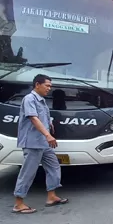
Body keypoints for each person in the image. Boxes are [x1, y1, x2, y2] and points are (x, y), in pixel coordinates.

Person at [12, 74, 68, 214]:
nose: (49, 88)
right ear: (37, 84)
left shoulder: (41, 100)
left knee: (54, 166)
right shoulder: (29, 99)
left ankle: (51, 196)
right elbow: (33, 118)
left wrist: (49, 125)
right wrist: (48, 135)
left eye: (50, 86)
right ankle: (19, 203)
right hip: (32, 143)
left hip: (43, 143)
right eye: (47, 85)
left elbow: (42, 118)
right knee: (28, 173)